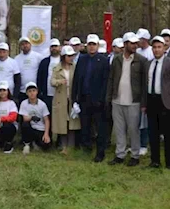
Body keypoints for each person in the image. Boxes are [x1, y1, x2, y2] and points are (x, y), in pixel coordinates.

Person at [107, 32, 148, 166]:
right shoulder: (116, 59)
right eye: (132, 43)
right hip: (117, 100)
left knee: (133, 130)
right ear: (125, 44)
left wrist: (143, 102)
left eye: (136, 43)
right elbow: (111, 79)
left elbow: (144, 83)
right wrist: (109, 98)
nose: (135, 45)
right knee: (119, 129)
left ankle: (135, 155)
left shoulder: (141, 60)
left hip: (133, 101)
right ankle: (120, 154)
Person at [145, 36, 170, 169]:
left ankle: (169, 162)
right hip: (151, 101)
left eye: (159, 47)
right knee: (153, 133)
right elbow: (146, 84)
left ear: (164, 48)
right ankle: (155, 161)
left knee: (168, 134)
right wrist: (144, 103)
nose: (156, 50)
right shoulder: (149, 64)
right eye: (154, 47)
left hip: (166, 102)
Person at [72, 34, 111, 162]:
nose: (92, 47)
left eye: (94, 44)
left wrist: (103, 99)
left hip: (98, 101)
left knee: (100, 128)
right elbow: (76, 80)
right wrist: (75, 99)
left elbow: (106, 82)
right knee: (85, 126)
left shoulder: (104, 60)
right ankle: (87, 148)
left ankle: (100, 152)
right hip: (84, 98)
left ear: (98, 46)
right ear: (86, 46)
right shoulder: (82, 60)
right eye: (90, 44)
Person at [51, 45, 80, 153]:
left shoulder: (75, 67)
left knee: (72, 122)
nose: (71, 58)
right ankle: (63, 146)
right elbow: (52, 82)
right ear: (63, 57)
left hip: (72, 98)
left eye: (72, 55)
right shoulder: (57, 68)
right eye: (69, 56)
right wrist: (59, 82)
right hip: (61, 99)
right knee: (62, 123)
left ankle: (71, 146)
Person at [18, 82, 51, 154]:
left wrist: (46, 134)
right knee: (25, 125)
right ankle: (27, 144)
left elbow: (46, 120)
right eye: (29, 91)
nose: (32, 93)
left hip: (40, 129)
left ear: (37, 91)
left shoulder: (42, 104)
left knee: (46, 146)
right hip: (30, 128)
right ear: (26, 93)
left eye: (33, 91)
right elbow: (25, 118)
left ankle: (35, 143)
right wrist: (32, 117)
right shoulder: (24, 103)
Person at [0, 81, 18, 153]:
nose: (2, 92)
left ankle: (8, 143)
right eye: (0, 90)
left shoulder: (11, 103)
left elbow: (13, 117)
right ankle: (1, 143)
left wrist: (1, 119)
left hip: (9, 127)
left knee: (7, 126)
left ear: (8, 91)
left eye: (4, 90)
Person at [14, 36, 43, 104]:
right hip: (22, 91)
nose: (25, 46)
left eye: (26, 43)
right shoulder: (16, 59)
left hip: (35, 91)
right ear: (20, 46)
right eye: (22, 44)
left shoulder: (38, 56)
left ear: (30, 44)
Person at [36, 39, 60, 113]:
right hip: (47, 95)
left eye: (56, 46)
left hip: (60, 95)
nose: (54, 48)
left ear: (60, 47)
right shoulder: (44, 62)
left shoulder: (63, 61)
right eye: (52, 46)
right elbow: (39, 78)